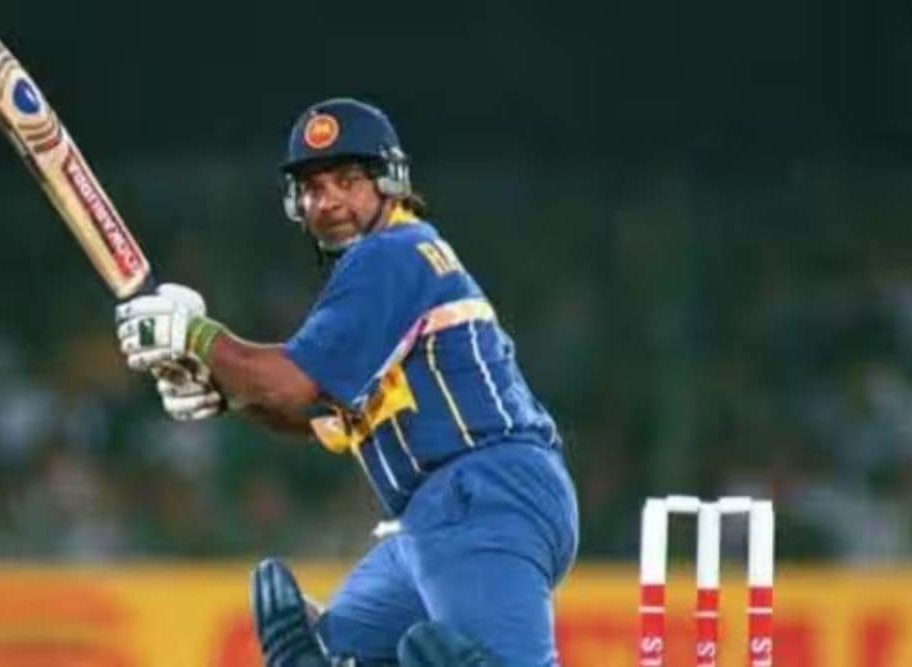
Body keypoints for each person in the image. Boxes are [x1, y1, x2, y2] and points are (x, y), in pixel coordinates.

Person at [114, 98, 578, 666]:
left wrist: (196, 336)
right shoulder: (397, 262)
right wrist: (221, 390)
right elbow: (307, 413)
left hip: (481, 498)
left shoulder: (392, 255)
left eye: (348, 180)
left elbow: (286, 384)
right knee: (330, 655)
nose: (328, 200)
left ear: (390, 182)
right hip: (441, 515)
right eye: (312, 187)